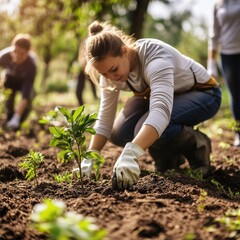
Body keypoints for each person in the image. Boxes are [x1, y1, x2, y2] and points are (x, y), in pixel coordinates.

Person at [80, 20, 221, 191]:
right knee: (119, 133)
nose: (110, 77)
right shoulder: (110, 73)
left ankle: (198, 145)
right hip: (167, 96)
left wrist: (131, 154)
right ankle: (169, 158)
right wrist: (90, 156)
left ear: (124, 51)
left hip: (204, 94)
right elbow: (105, 119)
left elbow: (160, 111)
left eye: (113, 69)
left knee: (147, 125)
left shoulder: (155, 58)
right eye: (104, 73)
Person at [207, 0, 240, 146]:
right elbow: (214, 36)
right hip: (228, 55)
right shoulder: (218, 4)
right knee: (236, 95)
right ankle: (239, 133)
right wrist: (211, 63)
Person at [0, 33, 37, 131]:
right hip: (9, 81)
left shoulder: (31, 66)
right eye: (15, 51)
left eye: (22, 53)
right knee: (9, 103)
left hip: (23, 83)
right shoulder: (4, 56)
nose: (17, 55)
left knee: (30, 96)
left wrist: (17, 117)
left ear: (28, 53)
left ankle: (17, 121)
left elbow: (25, 95)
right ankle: (9, 118)